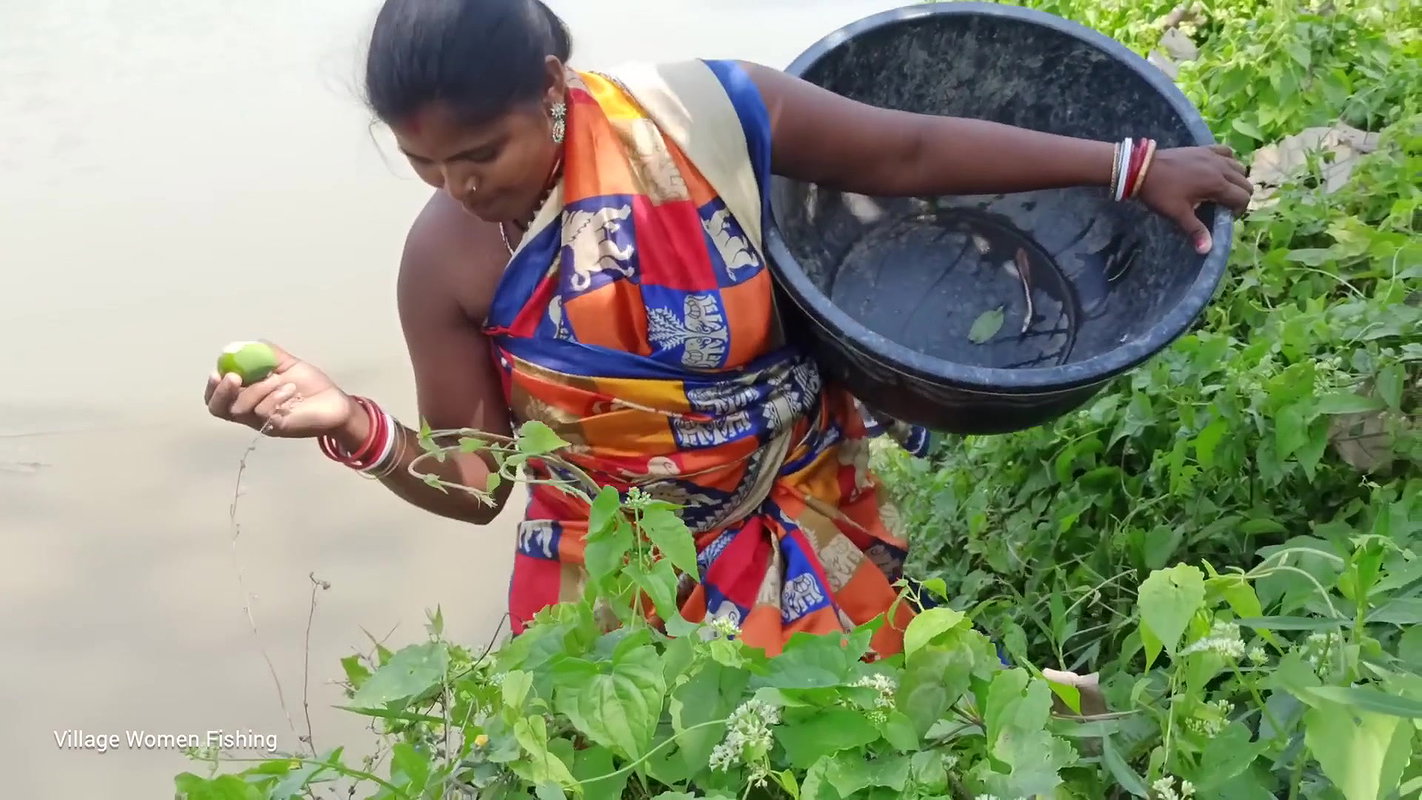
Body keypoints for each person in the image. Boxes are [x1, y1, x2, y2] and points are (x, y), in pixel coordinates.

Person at [203, 0, 1251, 656]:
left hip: (799, 513)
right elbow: (479, 485)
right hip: (611, 578)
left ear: (553, 88)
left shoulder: (702, 122)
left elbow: (912, 156)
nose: (457, 185)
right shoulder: (445, 261)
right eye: (424, 165)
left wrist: (1133, 167)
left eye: (482, 151)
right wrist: (351, 421)